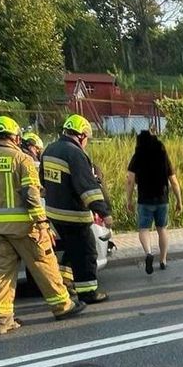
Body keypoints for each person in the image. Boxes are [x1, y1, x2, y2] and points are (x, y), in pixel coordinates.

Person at [0, 116, 85, 335]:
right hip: (25, 227)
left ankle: (2, 320)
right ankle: (62, 306)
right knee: (44, 265)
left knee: (1, 275)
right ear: (15, 137)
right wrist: (42, 223)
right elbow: (31, 195)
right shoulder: (21, 159)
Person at [41, 114, 112, 304]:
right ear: (81, 135)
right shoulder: (75, 153)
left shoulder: (50, 150)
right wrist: (104, 212)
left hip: (54, 214)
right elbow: (87, 188)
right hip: (74, 215)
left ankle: (65, 281)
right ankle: (88, 292)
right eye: (87, 138)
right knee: (87, 253)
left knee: (72, 250)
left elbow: (42, 181)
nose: (86, 142)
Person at [126, 130, 182, 274]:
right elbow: (174, 182)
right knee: (162, 229)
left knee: (144, 229)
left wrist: (129, 200)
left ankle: (149, 253)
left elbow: (130, 180)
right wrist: (179, 201)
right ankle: (163, 260)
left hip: (144, 200)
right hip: (162, 199)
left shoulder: (137, 156)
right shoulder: (163, 156)